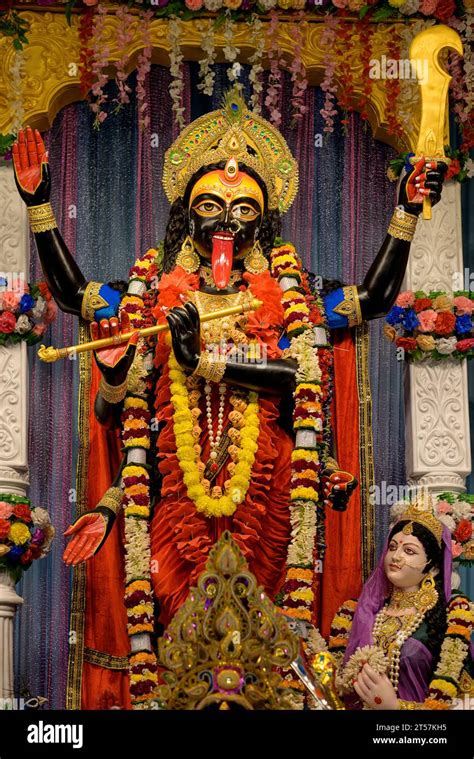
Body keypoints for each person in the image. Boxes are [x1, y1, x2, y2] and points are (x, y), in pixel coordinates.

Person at [12, 90, 446, 708]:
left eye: (244, 209)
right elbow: (75, 293)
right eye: (211, 206)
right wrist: (40, 207)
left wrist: (403, 212)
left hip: (267, 500)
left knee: (263, 642)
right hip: (175, 505)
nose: (227, 221)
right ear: (188, 216)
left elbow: (361, 309)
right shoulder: (154, 295)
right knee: (174, 644)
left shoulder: (290, 295)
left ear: (262, 220)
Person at [328, 499, 473, 709]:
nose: (396, 556)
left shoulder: (447, 617)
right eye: (393, 547)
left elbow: (468, 702)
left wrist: (395, 707)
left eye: (410, 551)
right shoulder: (361, 611)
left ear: (432, 567)